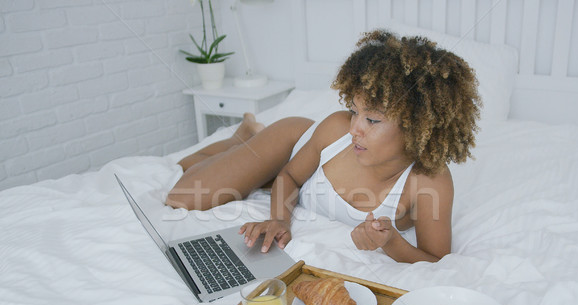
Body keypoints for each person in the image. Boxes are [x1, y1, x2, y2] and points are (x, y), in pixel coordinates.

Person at [166, 30, 480, 263]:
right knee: (181, 195)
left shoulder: (429, 181)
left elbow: (437, 260)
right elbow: (288, 177)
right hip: (293, 140)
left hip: (305, 159)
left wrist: (391, 243)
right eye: (354, 111)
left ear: (417, 126)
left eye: (372, 120)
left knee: (226, 177)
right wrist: (279, 219)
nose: (354, 128)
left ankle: (246, 143)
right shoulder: (335, 129)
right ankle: (244, 136)